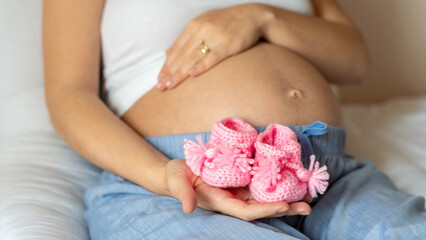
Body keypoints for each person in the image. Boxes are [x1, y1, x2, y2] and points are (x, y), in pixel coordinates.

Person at [43, 0, 426, 239]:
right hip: (177, 185)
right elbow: (69, 95)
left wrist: (261, 17)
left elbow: (355, 60)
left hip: (324, 173)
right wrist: (165, 176)